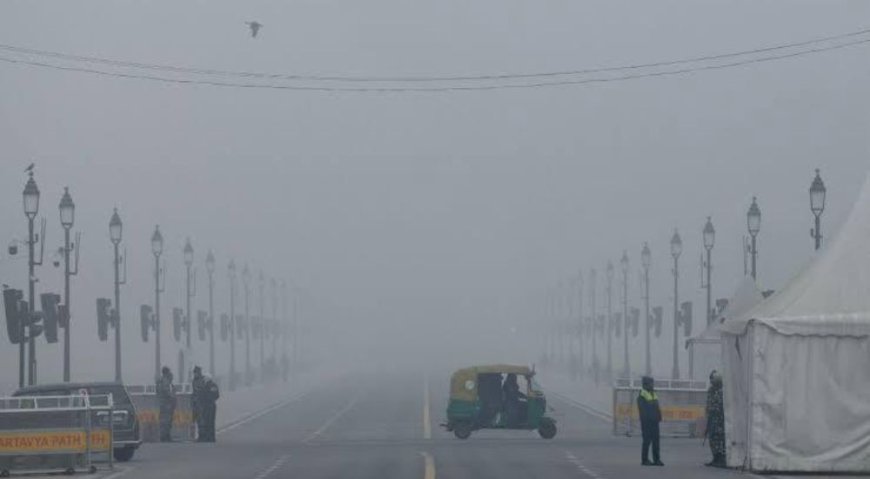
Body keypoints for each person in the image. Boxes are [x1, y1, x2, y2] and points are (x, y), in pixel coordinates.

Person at [637, 375, 663, 466]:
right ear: (645, 384)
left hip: (655, 421)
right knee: (647, 441)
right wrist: (646, 419)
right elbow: (643, 410)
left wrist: (659, 416)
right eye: (651, 383)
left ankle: (657, 459)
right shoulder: (642, 394)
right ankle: (644, 460)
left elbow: (656, 406)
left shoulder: (653, 393)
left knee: (656, 441)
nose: (652, 385)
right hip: (647, 422)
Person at [192, 365, 220, 442]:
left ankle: (209, 437)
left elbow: (214, 395)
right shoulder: (210, 385)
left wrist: (208, 400)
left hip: (208, 405)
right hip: (207, 405)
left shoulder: (209, 386)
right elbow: (216, 395)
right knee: (208, 422)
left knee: (208, 422)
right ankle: (209, 437)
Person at [705, 370, 726, 468]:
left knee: (720, 438)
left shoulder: (722, 390)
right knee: (712, 438)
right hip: (712, 417)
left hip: (720, 418)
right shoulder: (711, 390)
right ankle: (715, 457)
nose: (711, 381)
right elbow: (709, 403)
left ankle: (721, 458)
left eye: (712, 379)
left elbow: (721, 405)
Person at [156, 366, 177, 442]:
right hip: (166, 404)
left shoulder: (161, 381)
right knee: (166, 421)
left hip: (164, 403)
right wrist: (172, 398)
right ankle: (165, 437)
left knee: (165, 421)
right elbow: (167, 392)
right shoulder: (165, 381)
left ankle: (166, 436)